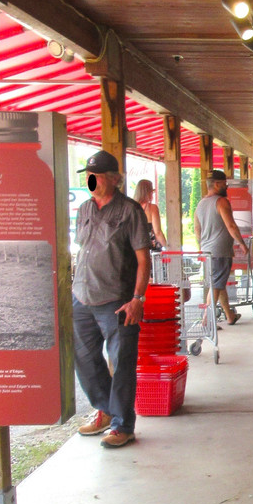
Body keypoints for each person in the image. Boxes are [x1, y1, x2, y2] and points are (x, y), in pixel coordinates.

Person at [72, 150, 151, 449]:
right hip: (82, 295)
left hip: (116, 300)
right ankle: (105, 410)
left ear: (115, 179)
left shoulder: (130, 211)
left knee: (121, 363)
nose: (92, 181)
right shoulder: (83, 209)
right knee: (85, 360)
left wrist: (137, 298)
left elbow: (144, 260)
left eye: (98, 176)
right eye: (89, 176)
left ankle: (123, 425)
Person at [194, 169, 248, 326]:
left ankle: (229, 315)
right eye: (225, 184)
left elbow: (197, 230)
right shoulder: (221, 202)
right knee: (216, 285)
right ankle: (206, 319)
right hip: (220, 251)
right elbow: (231, 225)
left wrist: (203, 244)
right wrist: (242, 244)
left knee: (219, 282)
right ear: (216, 184)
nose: (227, 187)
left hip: (207, 250)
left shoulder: (201, 203)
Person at [133, 179, 166, 251]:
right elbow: (158, 232)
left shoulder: (131, 207)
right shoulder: (152, 208)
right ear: (147, 192)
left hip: (135, 250)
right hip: (150, 249)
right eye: (152, 192)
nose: (152, 194)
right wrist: (167, 247)